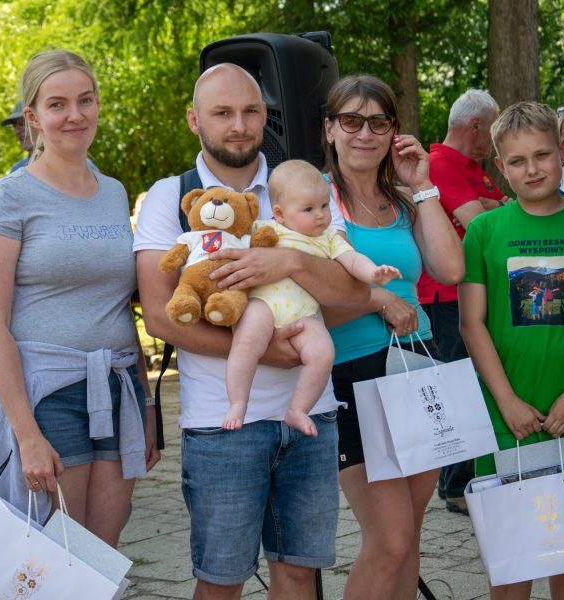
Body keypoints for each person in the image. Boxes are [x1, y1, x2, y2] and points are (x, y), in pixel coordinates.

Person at [135, 63, 368, 599]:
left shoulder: (303, 186)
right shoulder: (172, 196)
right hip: (222, 424)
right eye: (222, 113)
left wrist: (288, 262)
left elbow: (354, 294)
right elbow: (161, 316)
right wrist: (265, 351)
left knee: (299, 575)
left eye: (249, 111)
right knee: (221, 582)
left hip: (311, 417)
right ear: (195, 120)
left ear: (266, 115)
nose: (238, 125)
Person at [0, 50, 160, 546]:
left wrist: (147, 401)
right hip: (49, 394)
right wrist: (26, 434)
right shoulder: (10, 196)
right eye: (57, 104)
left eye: (85, 100)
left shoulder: (113, 192)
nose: (75, 115)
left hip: (118, 388)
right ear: (32, 117)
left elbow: (118, 305)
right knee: (56, 555)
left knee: (101, 555)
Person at [458, 101, 564, 600]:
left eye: (541, 155)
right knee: (513, 560)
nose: (532, 169)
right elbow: (472, 323)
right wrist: (506, 401)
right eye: (517, 161)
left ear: (563, 152)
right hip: (505, 418)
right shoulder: (484, 231)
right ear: (500, 166)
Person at [320, 75, 465, 600]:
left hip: (416, 364)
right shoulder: (315, 201)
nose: (365, 133)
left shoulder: (404, 200)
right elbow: (307, 304)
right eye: (352, 121)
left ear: (394, 132)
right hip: (353, 374)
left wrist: (422, 184)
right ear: (330, 129)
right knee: (390, 540)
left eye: (378, 122)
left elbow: (450, 269)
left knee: (410, 536)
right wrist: (378, 299)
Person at [225, 160, 401, 435]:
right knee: (247, 341)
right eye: (308, 209)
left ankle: (298, 409)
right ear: (280, 213)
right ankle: (238, 402)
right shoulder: (265, 229)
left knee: (323, 353)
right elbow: (233, 244)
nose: (320, 215)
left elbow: (352, 260)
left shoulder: (329, 238)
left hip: (304, 315)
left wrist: (373, 274)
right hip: (264, 304)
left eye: (324, 205)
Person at [420, 88, 507, 513]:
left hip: (471, 290)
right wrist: (496, 206)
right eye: (494, 130)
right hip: (446, 294)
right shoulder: (439, 164)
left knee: (472, 382)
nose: (496, 140)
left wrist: (496, 205)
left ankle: (462, 479)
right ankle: (456, 485)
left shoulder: (474, 168)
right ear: (476, 125)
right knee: (462, 385)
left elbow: (502, 212)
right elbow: (481, 222)